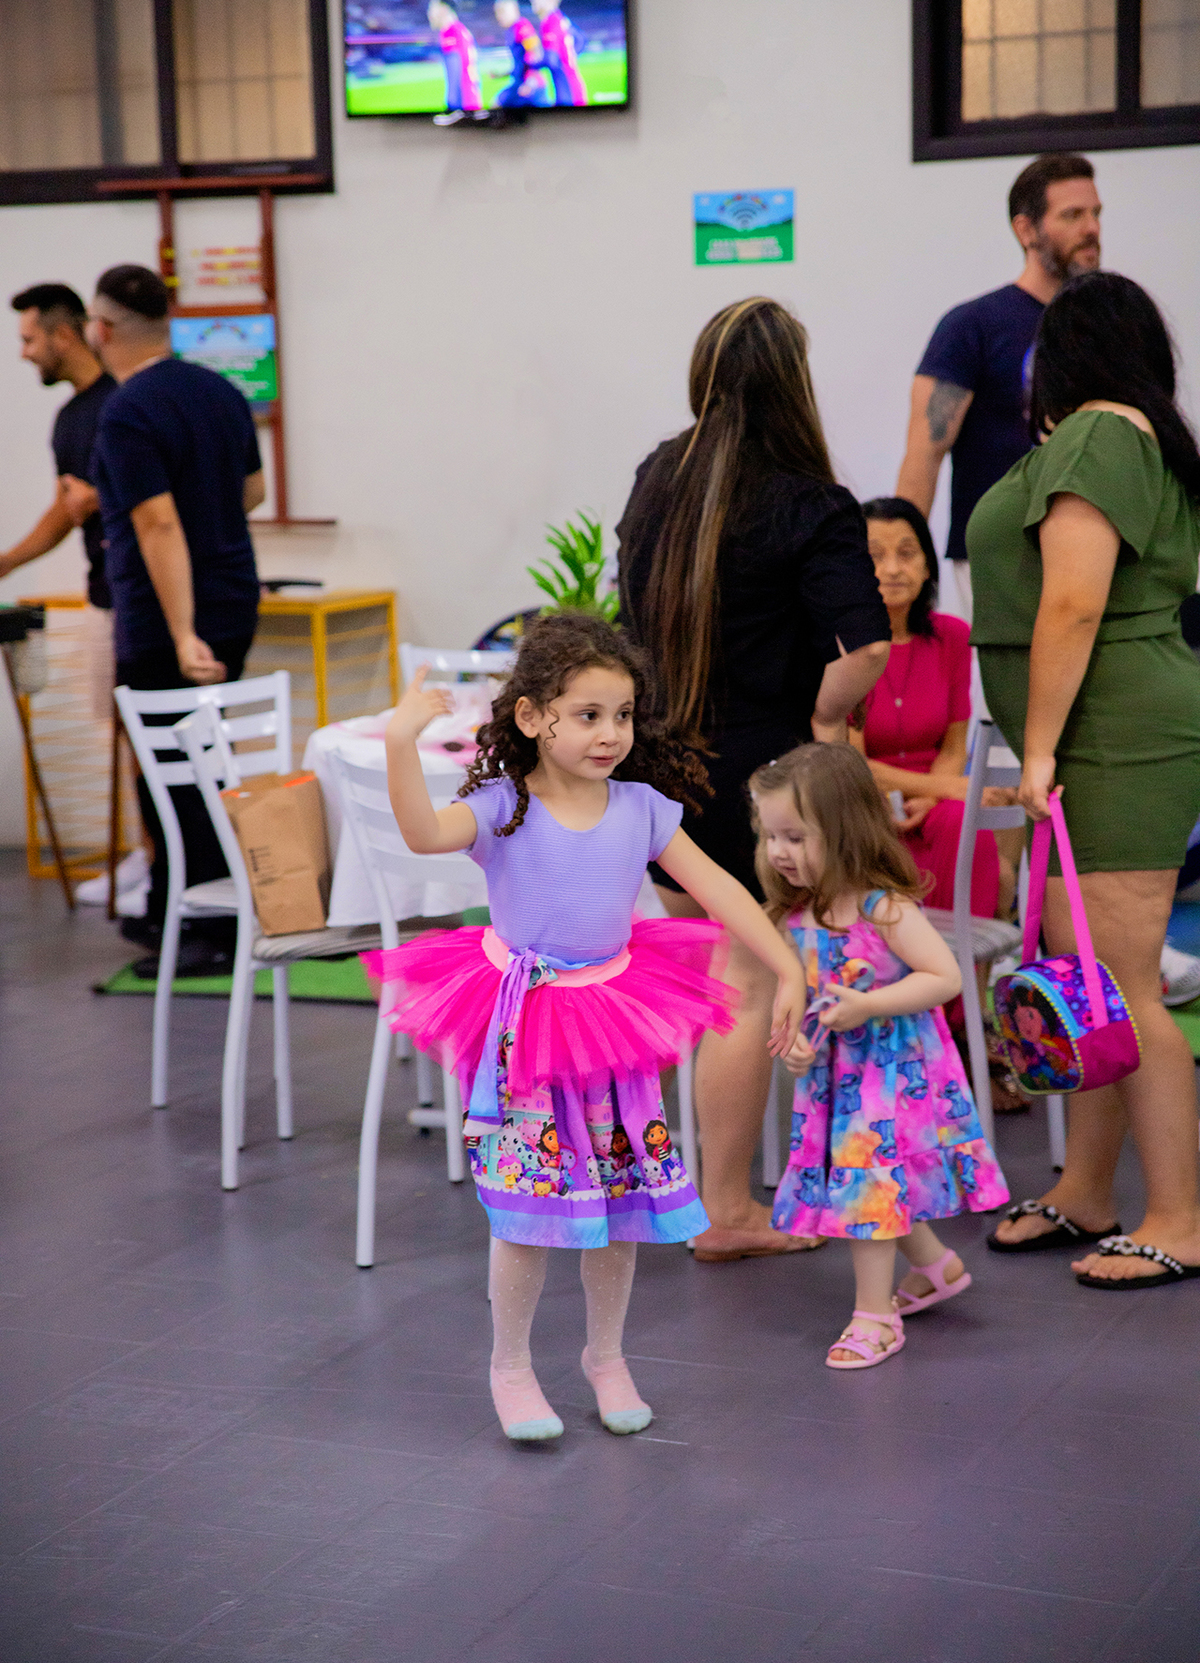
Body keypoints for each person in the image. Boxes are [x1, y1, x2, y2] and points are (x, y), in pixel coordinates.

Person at [366, 614, 809, 1442]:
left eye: (624, 715)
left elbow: (720, 891)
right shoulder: (501, 805)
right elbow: (424, 834)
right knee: (527, 1215)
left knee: (623, 1205)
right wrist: (401, 740)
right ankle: (510, 1365)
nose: (612, 734)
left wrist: (786, 966)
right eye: (590, 715)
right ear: (533, 717)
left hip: (610, 1027)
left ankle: (605, 1355)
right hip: (526, 1035)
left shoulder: (641, 809)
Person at [617, 297, 890, 1263]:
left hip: (657, 767)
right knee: (737, 982)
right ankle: (726, 1208)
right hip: (754, 774)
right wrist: (824, 721)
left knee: (713, 977)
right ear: (794, 384)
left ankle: (715, 1190)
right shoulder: (810, 501)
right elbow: (865, 646)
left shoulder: (661, 476)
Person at [967, 271, 1200, 1288]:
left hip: (1113, 734)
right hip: (1099, 727)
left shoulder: (1101, 434)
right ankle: (1085, 1191)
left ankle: (1182, 1218)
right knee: (1092, 986)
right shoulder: (1119, 432)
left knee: (1128, 984)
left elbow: (1071, 605)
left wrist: (1045, 750)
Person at [756, 744, 1008, 1368]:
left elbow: (945, 976)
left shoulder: (882, 907)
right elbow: (807, 994)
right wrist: (798, 1046)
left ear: (843, 833)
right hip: (839, 1075)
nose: (779, 852)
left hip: (895, 1074)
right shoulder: (797, 914)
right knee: (872, 1183)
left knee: (868, 1188)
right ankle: (935, 1266)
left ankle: (876, 1317)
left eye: (795, 836)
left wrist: (871, 1006)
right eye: (770, 836)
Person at [89, 263, 264, 970]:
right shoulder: (220, 391)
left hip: (169, 622)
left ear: (101, 331)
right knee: (202, 763)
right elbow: (252, 491)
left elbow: (158, 525)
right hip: (234, 599)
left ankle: (207, 929)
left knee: (172, 772)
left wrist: (182, 629)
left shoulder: (127, 411)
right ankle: (172, 912)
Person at [851, 497, 1027, 1112]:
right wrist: (943, 790)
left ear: (928, 564)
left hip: (937, 792)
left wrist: (939, 790)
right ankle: (914, 1040)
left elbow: (957, 737)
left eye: (907, 552)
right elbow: (851, 762)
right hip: (868, 804)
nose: (892, 568)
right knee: (949, 816)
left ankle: (963, 1032)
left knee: (965, 828)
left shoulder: (951, 636)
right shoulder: (847, 644)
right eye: (875, 556)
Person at [897, 152, 1102, 621]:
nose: (1090, 228)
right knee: (1017, 694)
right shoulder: (974, 325)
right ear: (1026, 230)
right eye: (1072, 215)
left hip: (1093, 543)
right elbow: (924, 453)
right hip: (1002, 554)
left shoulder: (1103, 326)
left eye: (1095, 213)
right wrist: (901, 563)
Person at [5, 284, 117, 719]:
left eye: (29, 340)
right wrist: (10, 560)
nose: (24, 354)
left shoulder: (124, 401)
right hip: (103, 595)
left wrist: (100, 499)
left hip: (145, 597)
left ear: (64, 336)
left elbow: (169, 496)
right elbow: (65, 510)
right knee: (119, 737)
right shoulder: (70, 420)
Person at [530, 0, 588, 106]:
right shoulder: (560, 19)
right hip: (572, 88)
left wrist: (530, 64)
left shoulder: (551, 22)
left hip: (567, 92)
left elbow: (551, 60)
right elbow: (582, 41)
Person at [427, 0, 483, 123]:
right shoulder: (458, 30)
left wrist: (451, 108)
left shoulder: (451, 33)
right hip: (469, 103)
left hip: (463, 107)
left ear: (443, 9)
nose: (429, 13)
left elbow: (455, 72)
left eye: (431, 8)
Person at [492, 0, 552, 107]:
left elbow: (535, 53)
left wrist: (531, 82)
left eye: (503, 11)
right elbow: (521, 63)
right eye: (497, 12)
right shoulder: (511, 30)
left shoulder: (522, 26)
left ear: (515, 10)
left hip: (531, 87)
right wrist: (502, 74)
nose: (499, 16)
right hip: (520, 84)